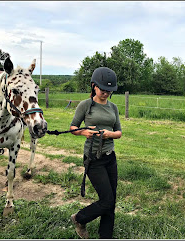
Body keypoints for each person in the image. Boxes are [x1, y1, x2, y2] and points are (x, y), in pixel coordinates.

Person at [70, 67, 122, 239]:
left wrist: (110, 134)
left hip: (110, 157)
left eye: (109, 90)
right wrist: (83, 132)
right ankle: (80, 218)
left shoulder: (113, 108)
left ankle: (105, 236)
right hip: (93, 158)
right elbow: (73, 127)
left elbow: (119, 132)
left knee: (111, 201)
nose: (106, 93)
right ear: (93, 86)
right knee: (106, 200)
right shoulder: (86, 105)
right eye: (103, 89)